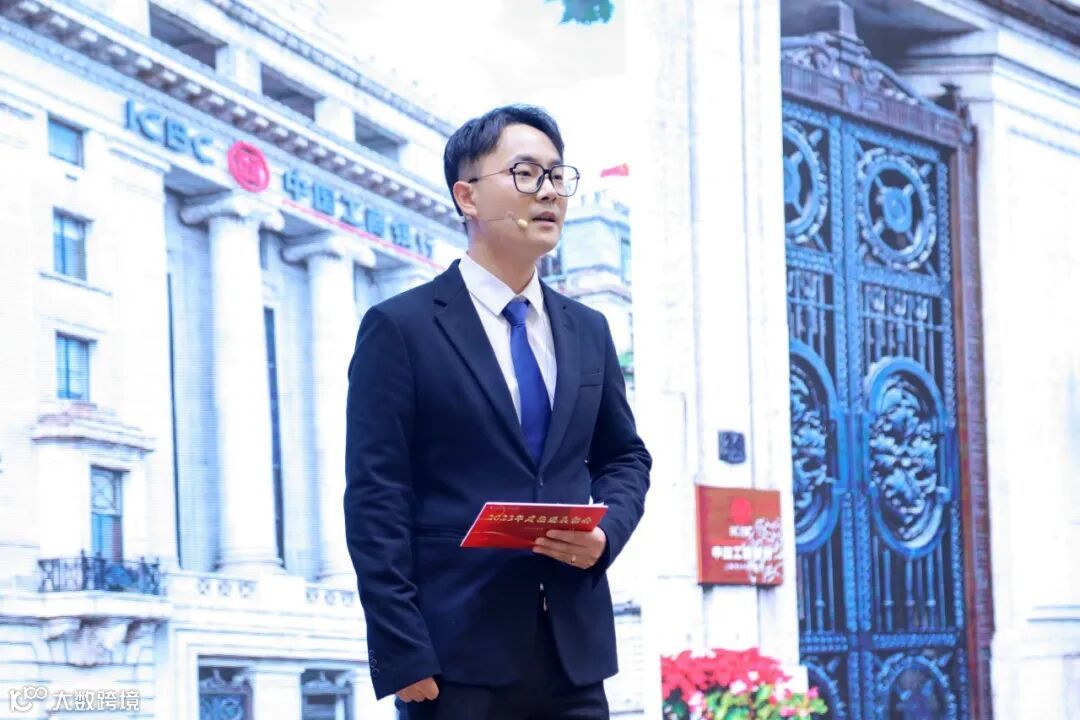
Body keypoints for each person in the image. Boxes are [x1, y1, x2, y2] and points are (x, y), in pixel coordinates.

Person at [344, 104, 651, 720]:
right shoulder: (400, 328)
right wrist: (401, 650)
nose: (549, 192)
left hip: (574, 652)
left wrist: (606, 533)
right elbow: (377, 495)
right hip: (453, 660)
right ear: (468, 197)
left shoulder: (588, 329)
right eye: (526, 173)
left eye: (557, 176)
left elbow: (624, 457)